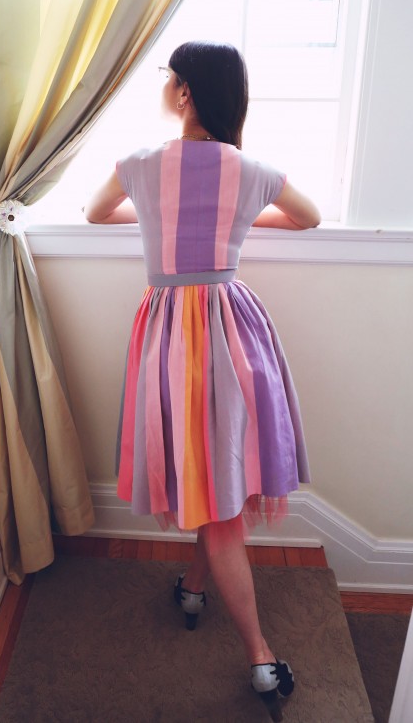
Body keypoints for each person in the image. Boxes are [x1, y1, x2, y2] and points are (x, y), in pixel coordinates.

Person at [84, 41, 320, 722]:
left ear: (185, 92)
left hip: (170, 340)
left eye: (169, 77)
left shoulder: (139, 164)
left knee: (211, 487)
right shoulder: (251, 170)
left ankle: (260, 657)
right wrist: (239, 220)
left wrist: (155, 217)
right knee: (215, 474)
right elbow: (308, 216)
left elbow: (96, 213)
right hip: (231, 332)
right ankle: (194, 588)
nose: (166, 86)